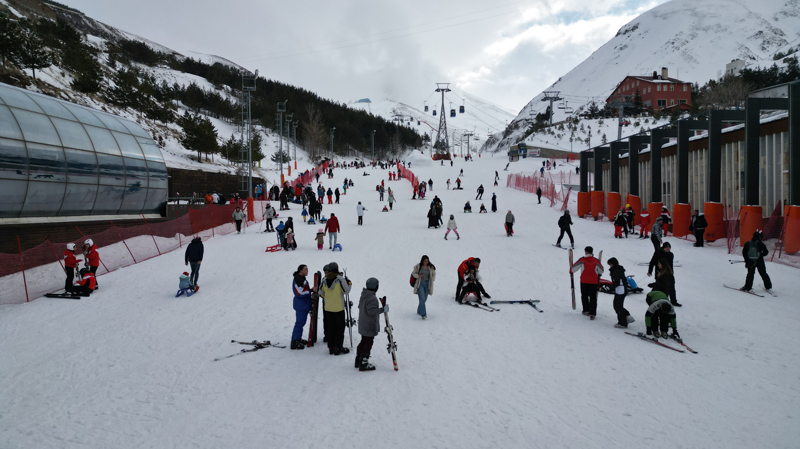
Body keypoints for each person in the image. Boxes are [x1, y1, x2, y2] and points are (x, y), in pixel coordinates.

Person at [319, 262, 352, 355]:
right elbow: (346, 291)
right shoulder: (340, 279)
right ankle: (338, 347)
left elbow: (320, 292)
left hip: (328, 308)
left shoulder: (324, 279)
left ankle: (331, 347)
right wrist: (349, 283)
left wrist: (327, 297)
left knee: (330, 328)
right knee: (339, 328)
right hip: (338, 308)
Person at [355, 277, 387, 371]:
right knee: (368, 342)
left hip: (363, 323)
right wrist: (383, 310)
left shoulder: (364, 295)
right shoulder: (372, 298)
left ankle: (358, 359)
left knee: (364, 341)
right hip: (369, 325)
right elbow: (372, 311)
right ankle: (364, 362)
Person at [570, 246, 604, 319]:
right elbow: (601, 270)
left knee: (584, 295)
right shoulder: (596, 261)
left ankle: (586, 310)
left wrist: (571, 271)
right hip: (594, 281)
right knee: (593, 297)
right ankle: (592, 313)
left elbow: (573, 269)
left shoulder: (582, 260)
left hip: (584, 281)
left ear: (586, 252)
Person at [291, 265, 313, 350]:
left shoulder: (302, 278)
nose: (307, 270)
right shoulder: (298, 279)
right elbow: (299, 292)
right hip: (301, 305)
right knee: (299, 323)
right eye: (305, 269)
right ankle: (294, 341)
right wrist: (311, 291)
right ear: (300, 271)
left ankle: (298, 338)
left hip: (303, 304)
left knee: (301, 323)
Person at [608, 258, 633, 328]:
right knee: (617, 305)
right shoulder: (618, 270)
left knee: (618, 306)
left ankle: (623, 322)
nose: (609, 266)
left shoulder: (616, 271)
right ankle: (627, 316)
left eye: (610, 264)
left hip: (620, 290)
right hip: (621, 290)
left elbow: (617, 282)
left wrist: (610, 287)